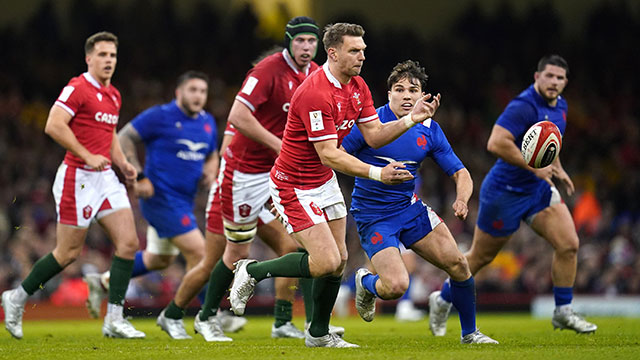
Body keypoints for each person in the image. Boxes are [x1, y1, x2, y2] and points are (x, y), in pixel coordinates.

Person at [229, 23, 441, 348]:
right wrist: (376, 173)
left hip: (322, 181)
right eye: (354, 50)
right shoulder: (316, 92)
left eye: (363, 50)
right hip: (293, 184)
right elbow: (329, 155)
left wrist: (411, 119)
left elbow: (373, 135)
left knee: (339, 260)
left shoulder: (357, 86)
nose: (362, 56)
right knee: (326, 261)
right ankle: (253, 271)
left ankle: (317, 334)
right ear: (333, 52)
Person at [195, 16, 345, 342]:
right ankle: (206, 317)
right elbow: (237, 116)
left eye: (311, 41)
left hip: (281, 174)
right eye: (300, 41)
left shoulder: (317, 74)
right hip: (246, 173)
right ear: (289, 41)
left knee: (298, 242)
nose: (307, 47)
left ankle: (287, 322)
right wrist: (279, 144)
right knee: (236, 252)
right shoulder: (267, 70)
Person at [428, 55, 598, 335]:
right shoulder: (523, 106)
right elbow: (495, 142)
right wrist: (533, 167)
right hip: (504, 192)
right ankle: (443, 298)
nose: (554, 82)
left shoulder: (561, 106)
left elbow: (546, 145)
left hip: (537, 190)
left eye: (560, 78)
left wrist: (558, 168)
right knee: (480, 257)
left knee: (569, 244)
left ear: (566, 82)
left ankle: (563, 312)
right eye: (549, 76)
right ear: (537, 77)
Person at [1, 31, 145, 339]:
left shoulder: (114, 95)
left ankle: (115, 319)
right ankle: (17, 298)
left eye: (113, 55)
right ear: (89, 58)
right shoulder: (78, 87)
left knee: (129, 244)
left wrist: (122, 163)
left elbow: (109, 136)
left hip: (105, 177)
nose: (109, 60)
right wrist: (86, 154)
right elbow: (53, 124)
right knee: (67, 253)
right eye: (103, 55)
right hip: (77, 177)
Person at [343, 60, 498, 344]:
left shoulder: (429, 130)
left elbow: (461, 172)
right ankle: (366, 283)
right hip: (373, 216)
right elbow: (337, 156)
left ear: (421, 96)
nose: (406, 95)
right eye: (399, 89)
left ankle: (470, 334)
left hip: (409, 210)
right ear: (388, 94)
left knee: (459, 265)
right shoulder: (369, 124)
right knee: (396, 286)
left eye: (413, 90)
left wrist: (462, 199)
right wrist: (375, 173)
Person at [83, 71, 222, 340]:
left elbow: (212, 152)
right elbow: (123, 138)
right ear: (178, 93)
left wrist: (211, 167)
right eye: (192, 90)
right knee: (201, 255)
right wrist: (138, 174)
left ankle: (105, 280)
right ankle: (195, 315)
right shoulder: (160, 116)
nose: (198, 96)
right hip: (160, 198)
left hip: (185, 201)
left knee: (160, 259)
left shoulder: (206, 123)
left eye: (203, 92)